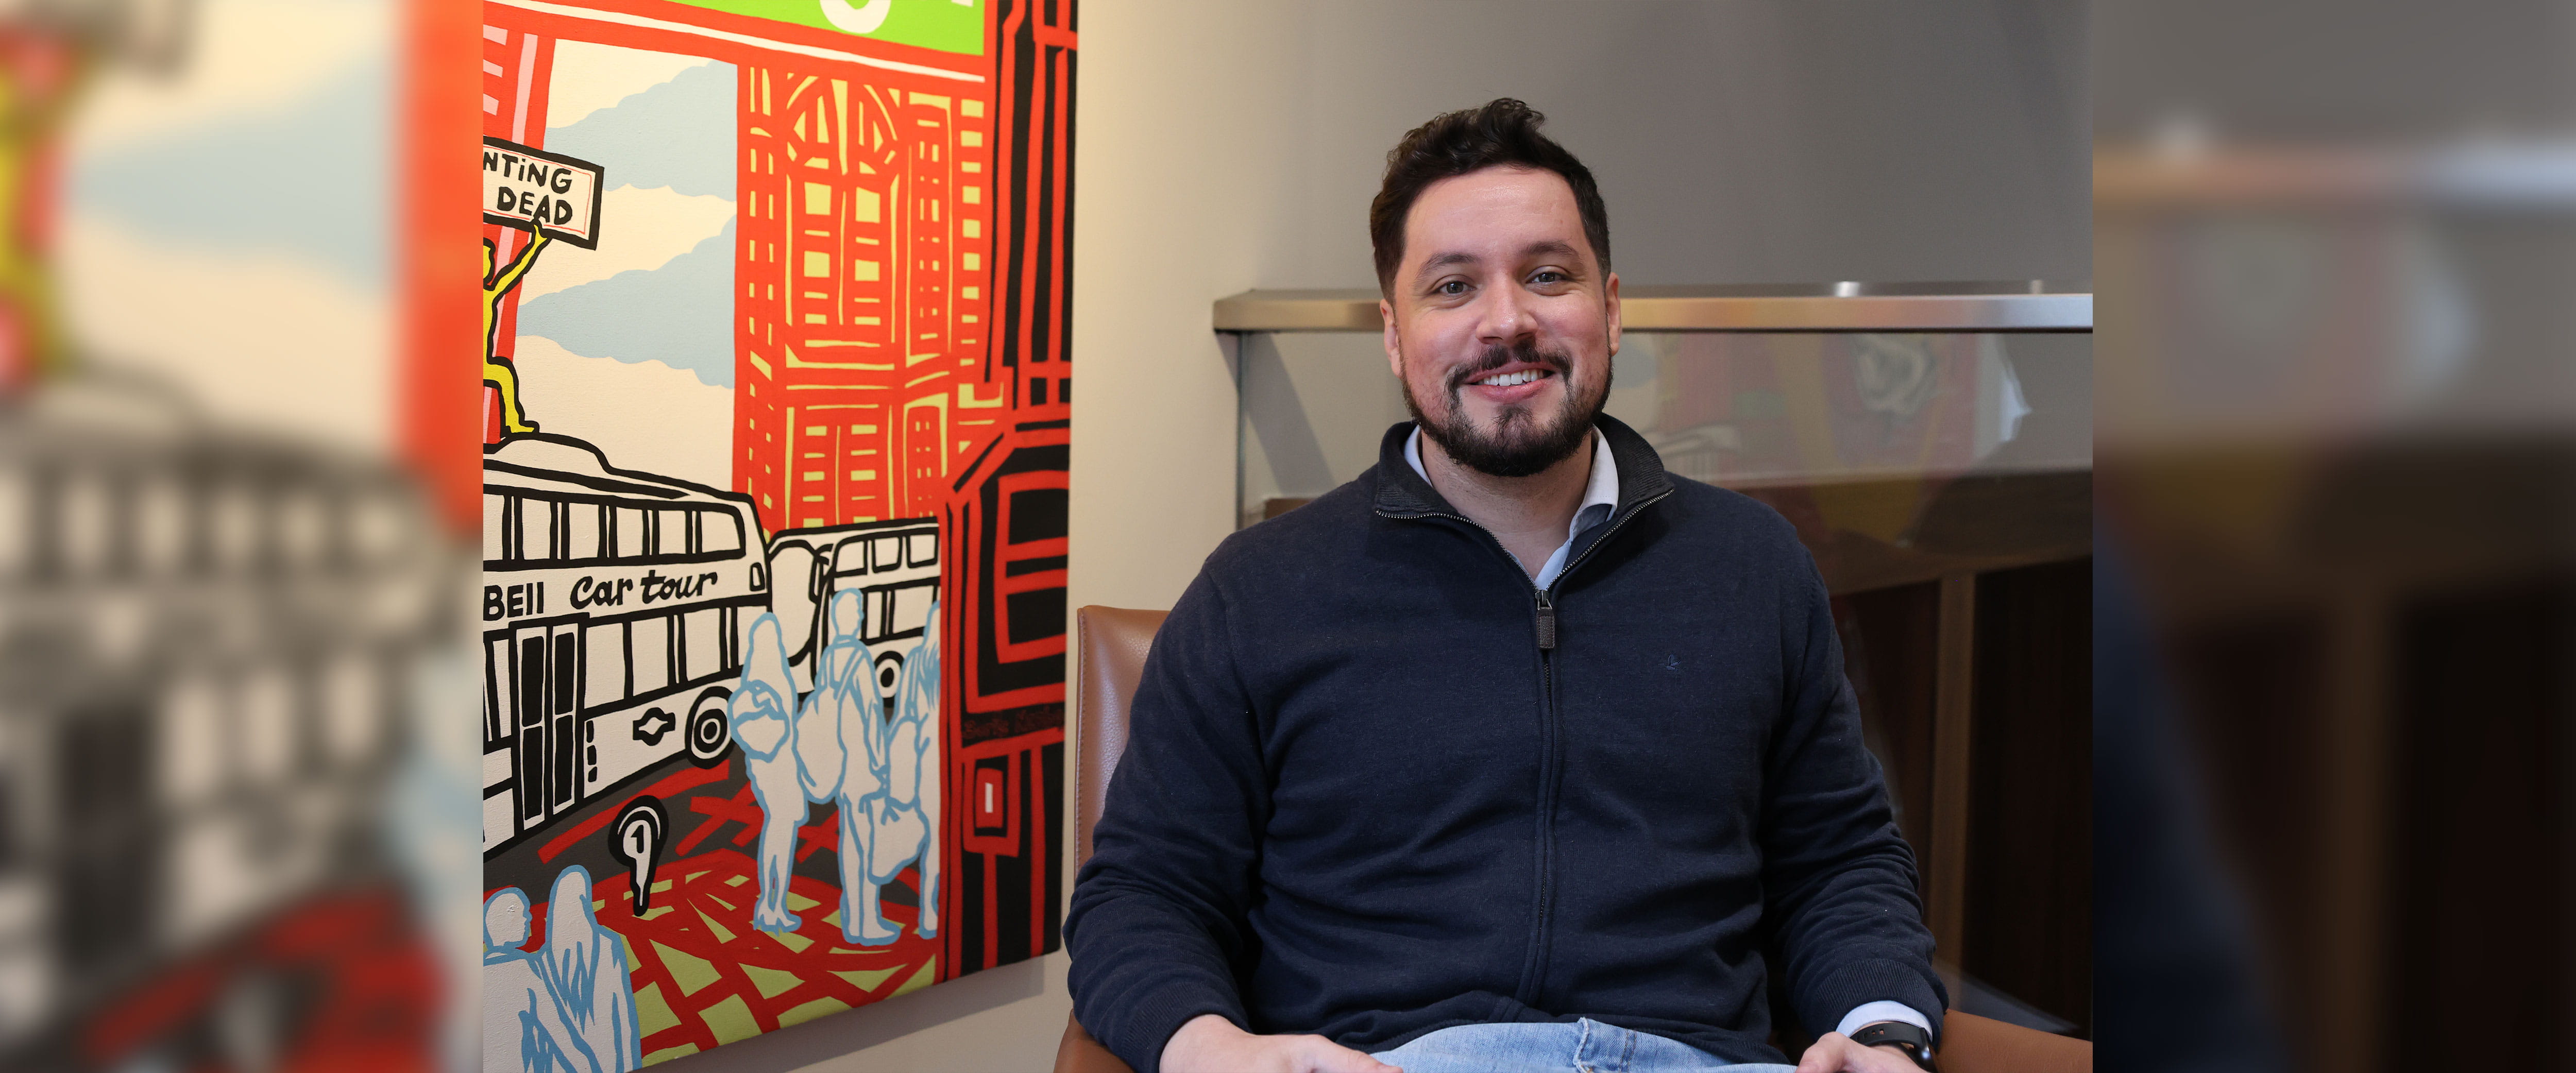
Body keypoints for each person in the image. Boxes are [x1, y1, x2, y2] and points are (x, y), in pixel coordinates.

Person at [1065, 100, 1944, 1073]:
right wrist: (1207, 1048)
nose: (1507, 320)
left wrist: (1883, 1032)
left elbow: (1841, 864)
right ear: (1394, 336)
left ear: (1609, 307)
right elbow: (1144, 896)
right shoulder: (1257, 592)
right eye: (1452, 287)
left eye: (1547, 275)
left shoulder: (1755, 566)